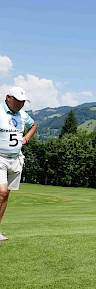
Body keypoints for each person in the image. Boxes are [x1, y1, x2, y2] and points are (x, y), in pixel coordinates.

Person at [0, 87, 37, 241]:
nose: (21, 104)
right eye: (18, 101)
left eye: (23, 102)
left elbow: (34, 125)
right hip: (0, 157)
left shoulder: (22, 115)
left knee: (6, 194)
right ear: (8, 97)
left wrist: (26, 138)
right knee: (2, 192)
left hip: (16, 159)